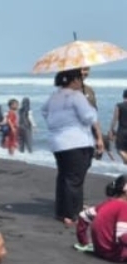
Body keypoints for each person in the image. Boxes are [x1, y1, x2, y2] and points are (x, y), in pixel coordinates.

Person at [42, 68, 104, 226]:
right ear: (75, 80)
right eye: (79, 79)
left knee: (64, 176)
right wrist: (91, 110)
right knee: (74, 178)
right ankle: (72, 214)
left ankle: (62, 211)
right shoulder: (77, 96)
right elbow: (88, 117)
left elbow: (44, 111)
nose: (81, 82)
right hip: (76, 141)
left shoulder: (54, 96)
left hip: (58, 142)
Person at [76, 175, 127, 263]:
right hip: (116, 254)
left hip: (99, 250)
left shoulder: (108, 203)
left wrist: (84, 241)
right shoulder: (124, 207)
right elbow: (121, 237)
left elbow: (83, 216)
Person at [109, 89, 127, 164]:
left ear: (123, 96)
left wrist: (111, 129)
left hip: (122, 131)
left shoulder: (119, 106)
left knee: (120, 150)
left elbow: (115, 119)